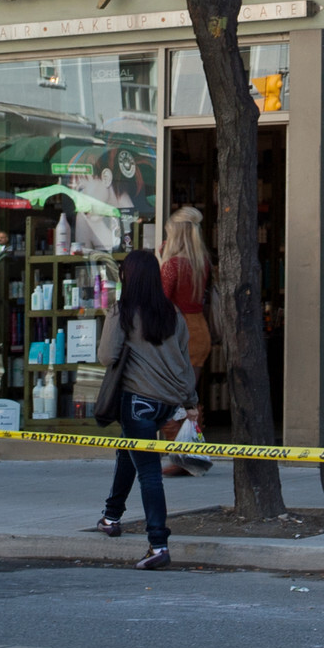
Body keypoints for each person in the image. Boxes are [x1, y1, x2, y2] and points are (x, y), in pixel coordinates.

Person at [93, 248, 200, 570]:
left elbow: (105, 357)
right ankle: (111, 516)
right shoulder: (173, 314)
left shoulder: (122, 311)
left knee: (149, 473)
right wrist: (190, 402)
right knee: (128, 453)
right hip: (167, 403)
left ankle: (158, 544)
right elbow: (184, 362)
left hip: (136, 401)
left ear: (128, 276)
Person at [158, 206, 214, 477]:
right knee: (189, 396)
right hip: (200, 331)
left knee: (172, 397)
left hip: (179, 333)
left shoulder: (172, 265)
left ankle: (181, 457)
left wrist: (161, 260)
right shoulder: (202, 262)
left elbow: (162, 301)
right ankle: (191, 452)